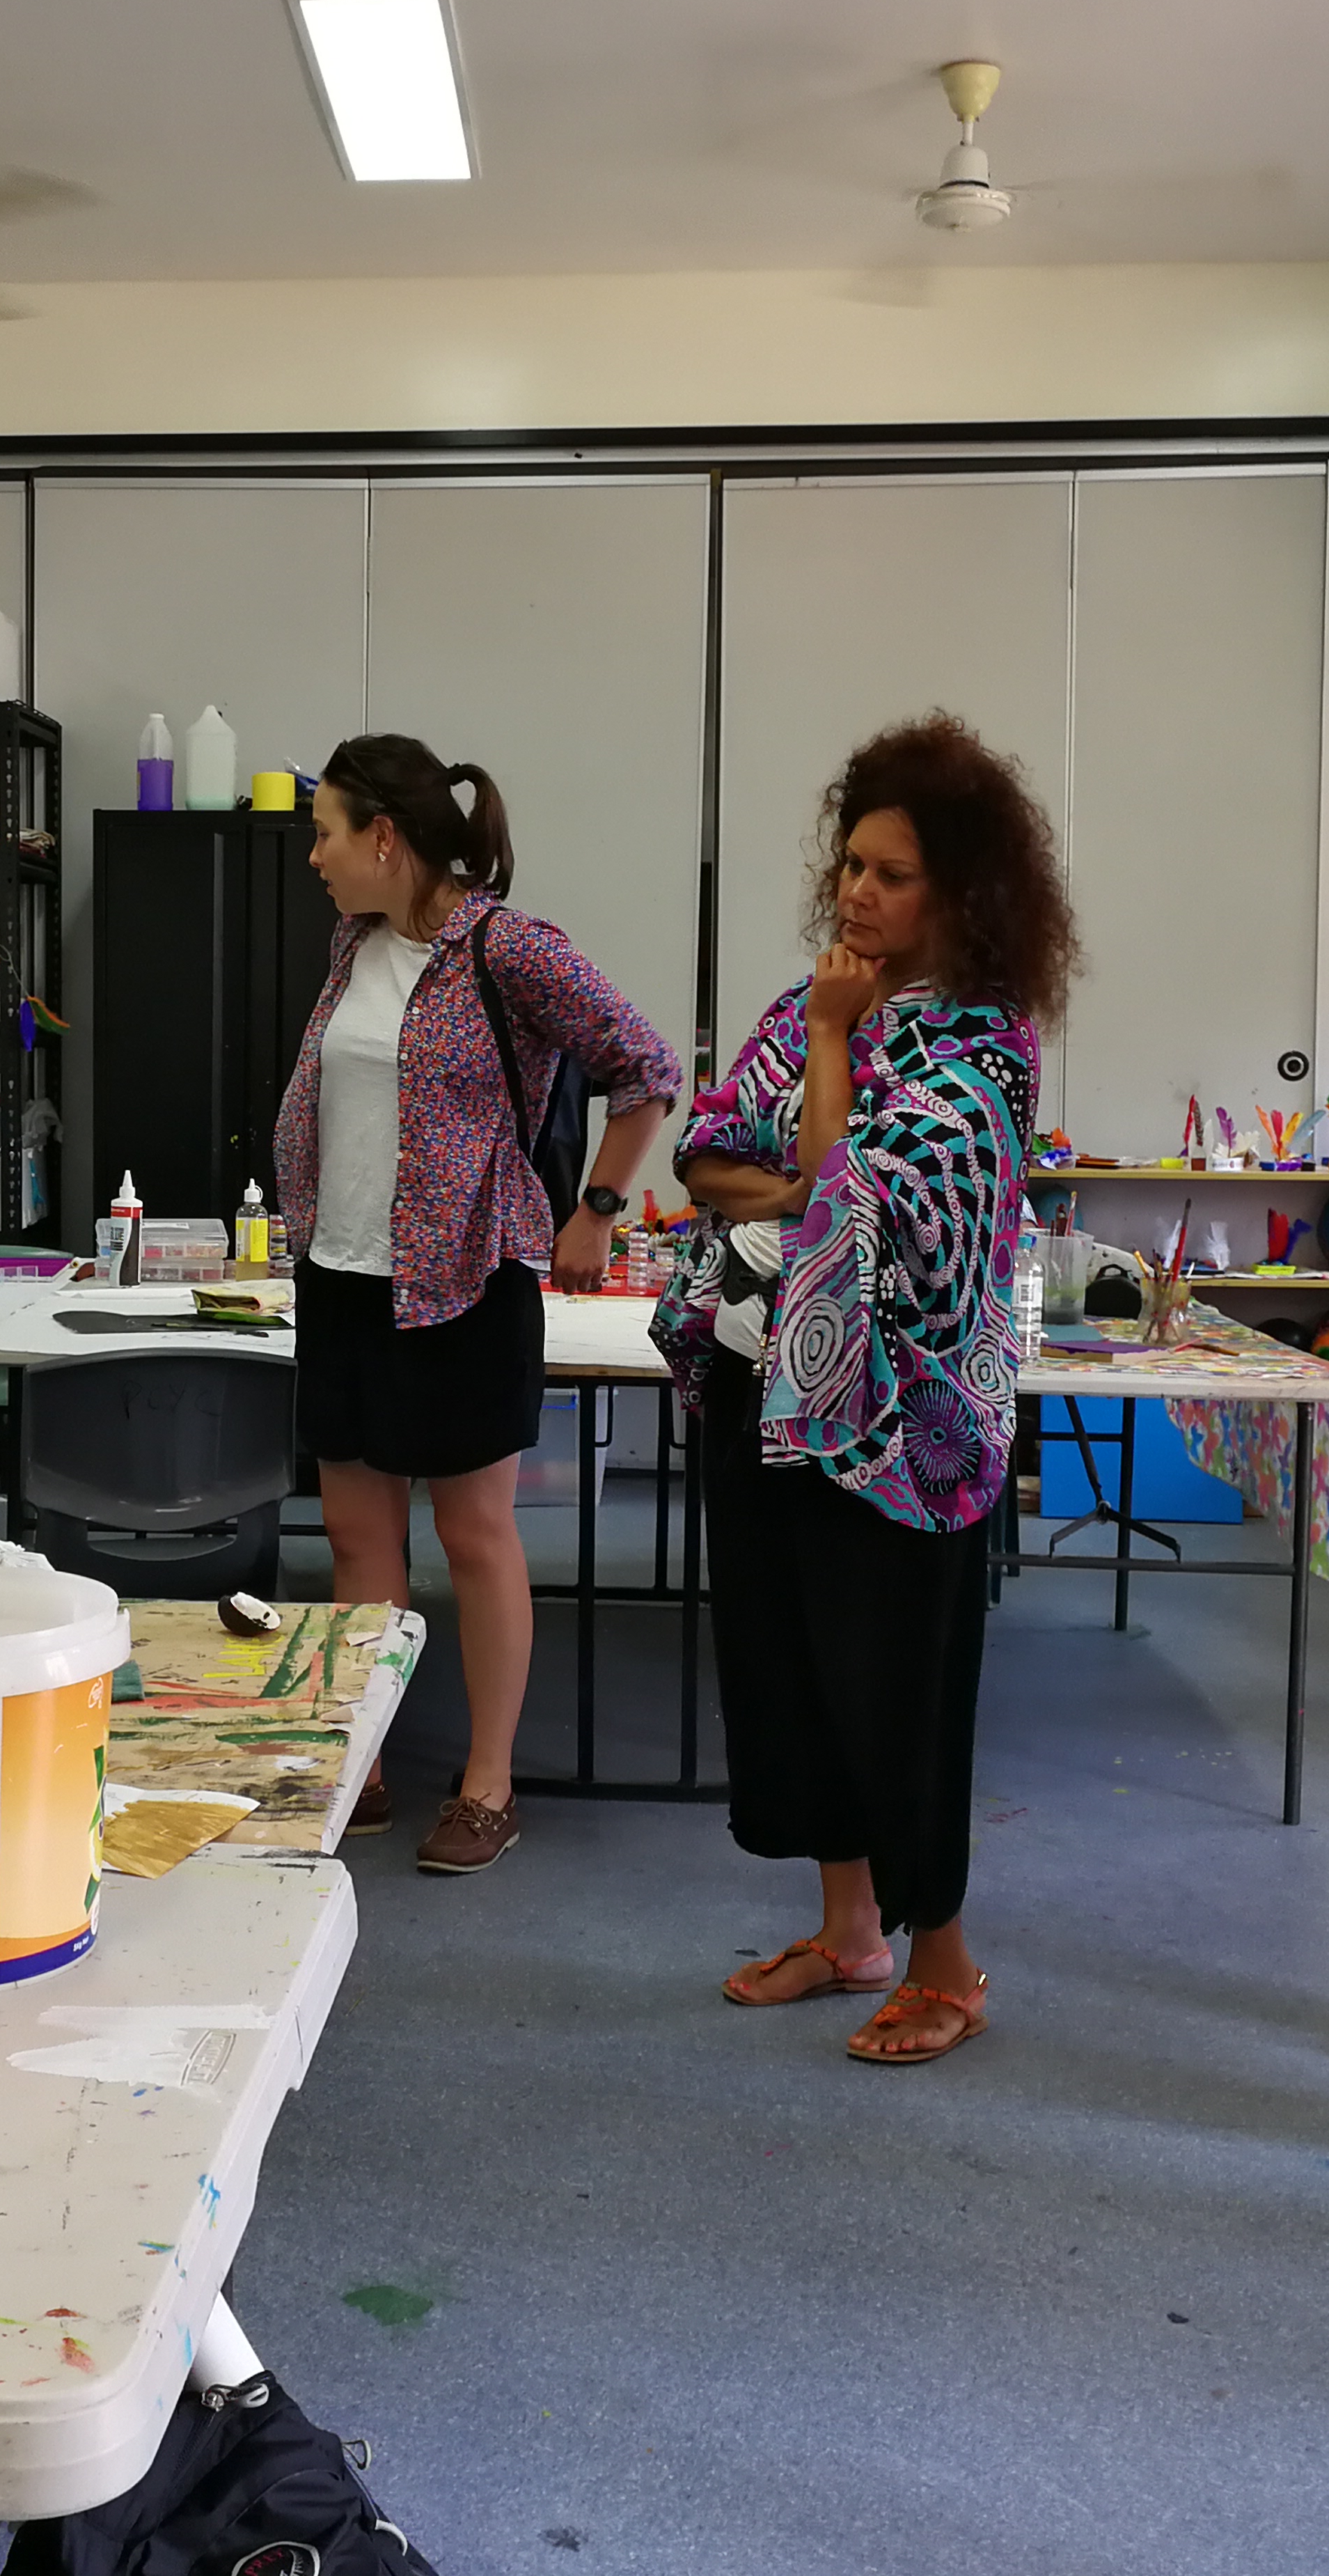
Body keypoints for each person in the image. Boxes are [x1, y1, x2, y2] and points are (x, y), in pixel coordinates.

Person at [662, 717, 1070, 2066]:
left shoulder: (983, 1053)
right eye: (849, 864)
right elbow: (708, 1158)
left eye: (891, 875)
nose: (856, 893)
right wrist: (809, 1180)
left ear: (961, 894)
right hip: (764, 1388)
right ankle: (850, 1934)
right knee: (789, 1675)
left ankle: (946, 1965)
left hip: (901, 1431)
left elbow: (853, 1212)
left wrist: (827, 1071)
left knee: (894, 1695)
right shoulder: (808, 1005)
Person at [276, 732, 682, 1873]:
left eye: (325, 832)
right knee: (358, 1532)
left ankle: (487, 1784)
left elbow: (646, 1069)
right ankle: (362, 1758)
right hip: (343, 1275)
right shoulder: (351, 945)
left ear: (384, 837)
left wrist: (596, 1209)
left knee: (474, 1533)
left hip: (463, 1280)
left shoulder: (510, 948)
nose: (314, 855)